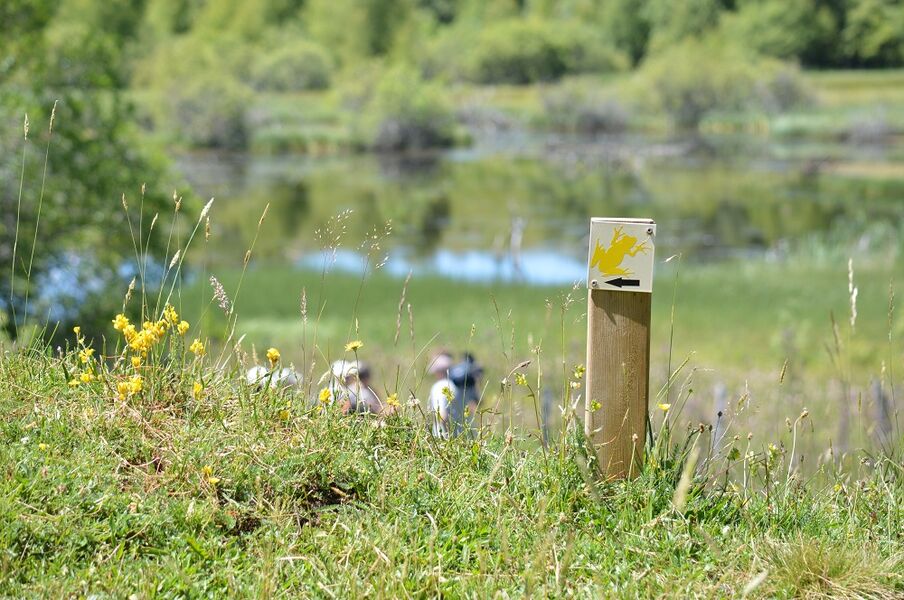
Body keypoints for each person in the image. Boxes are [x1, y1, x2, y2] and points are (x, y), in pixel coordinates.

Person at [427, 352, 456, 437]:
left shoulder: (438, 387)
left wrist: (446, 437)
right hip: (460, 435)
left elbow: (442, 414)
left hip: (443, 437)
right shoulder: (454, 386)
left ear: (438, 372)